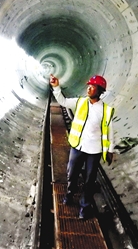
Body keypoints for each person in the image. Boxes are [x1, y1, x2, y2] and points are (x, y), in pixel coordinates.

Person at [49, 74, 115, 220]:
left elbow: (109, 131)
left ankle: (84, 206)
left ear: (100, 91)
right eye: (89, 86)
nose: (89, 89)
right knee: (71, 174)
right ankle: (70, 194)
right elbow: (63, 101)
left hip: (94, 150)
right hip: (78, 146)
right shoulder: (80, 103)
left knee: (89, 180)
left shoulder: (105, 110)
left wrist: (111, 150)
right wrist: (56, 87)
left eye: (93, 87)